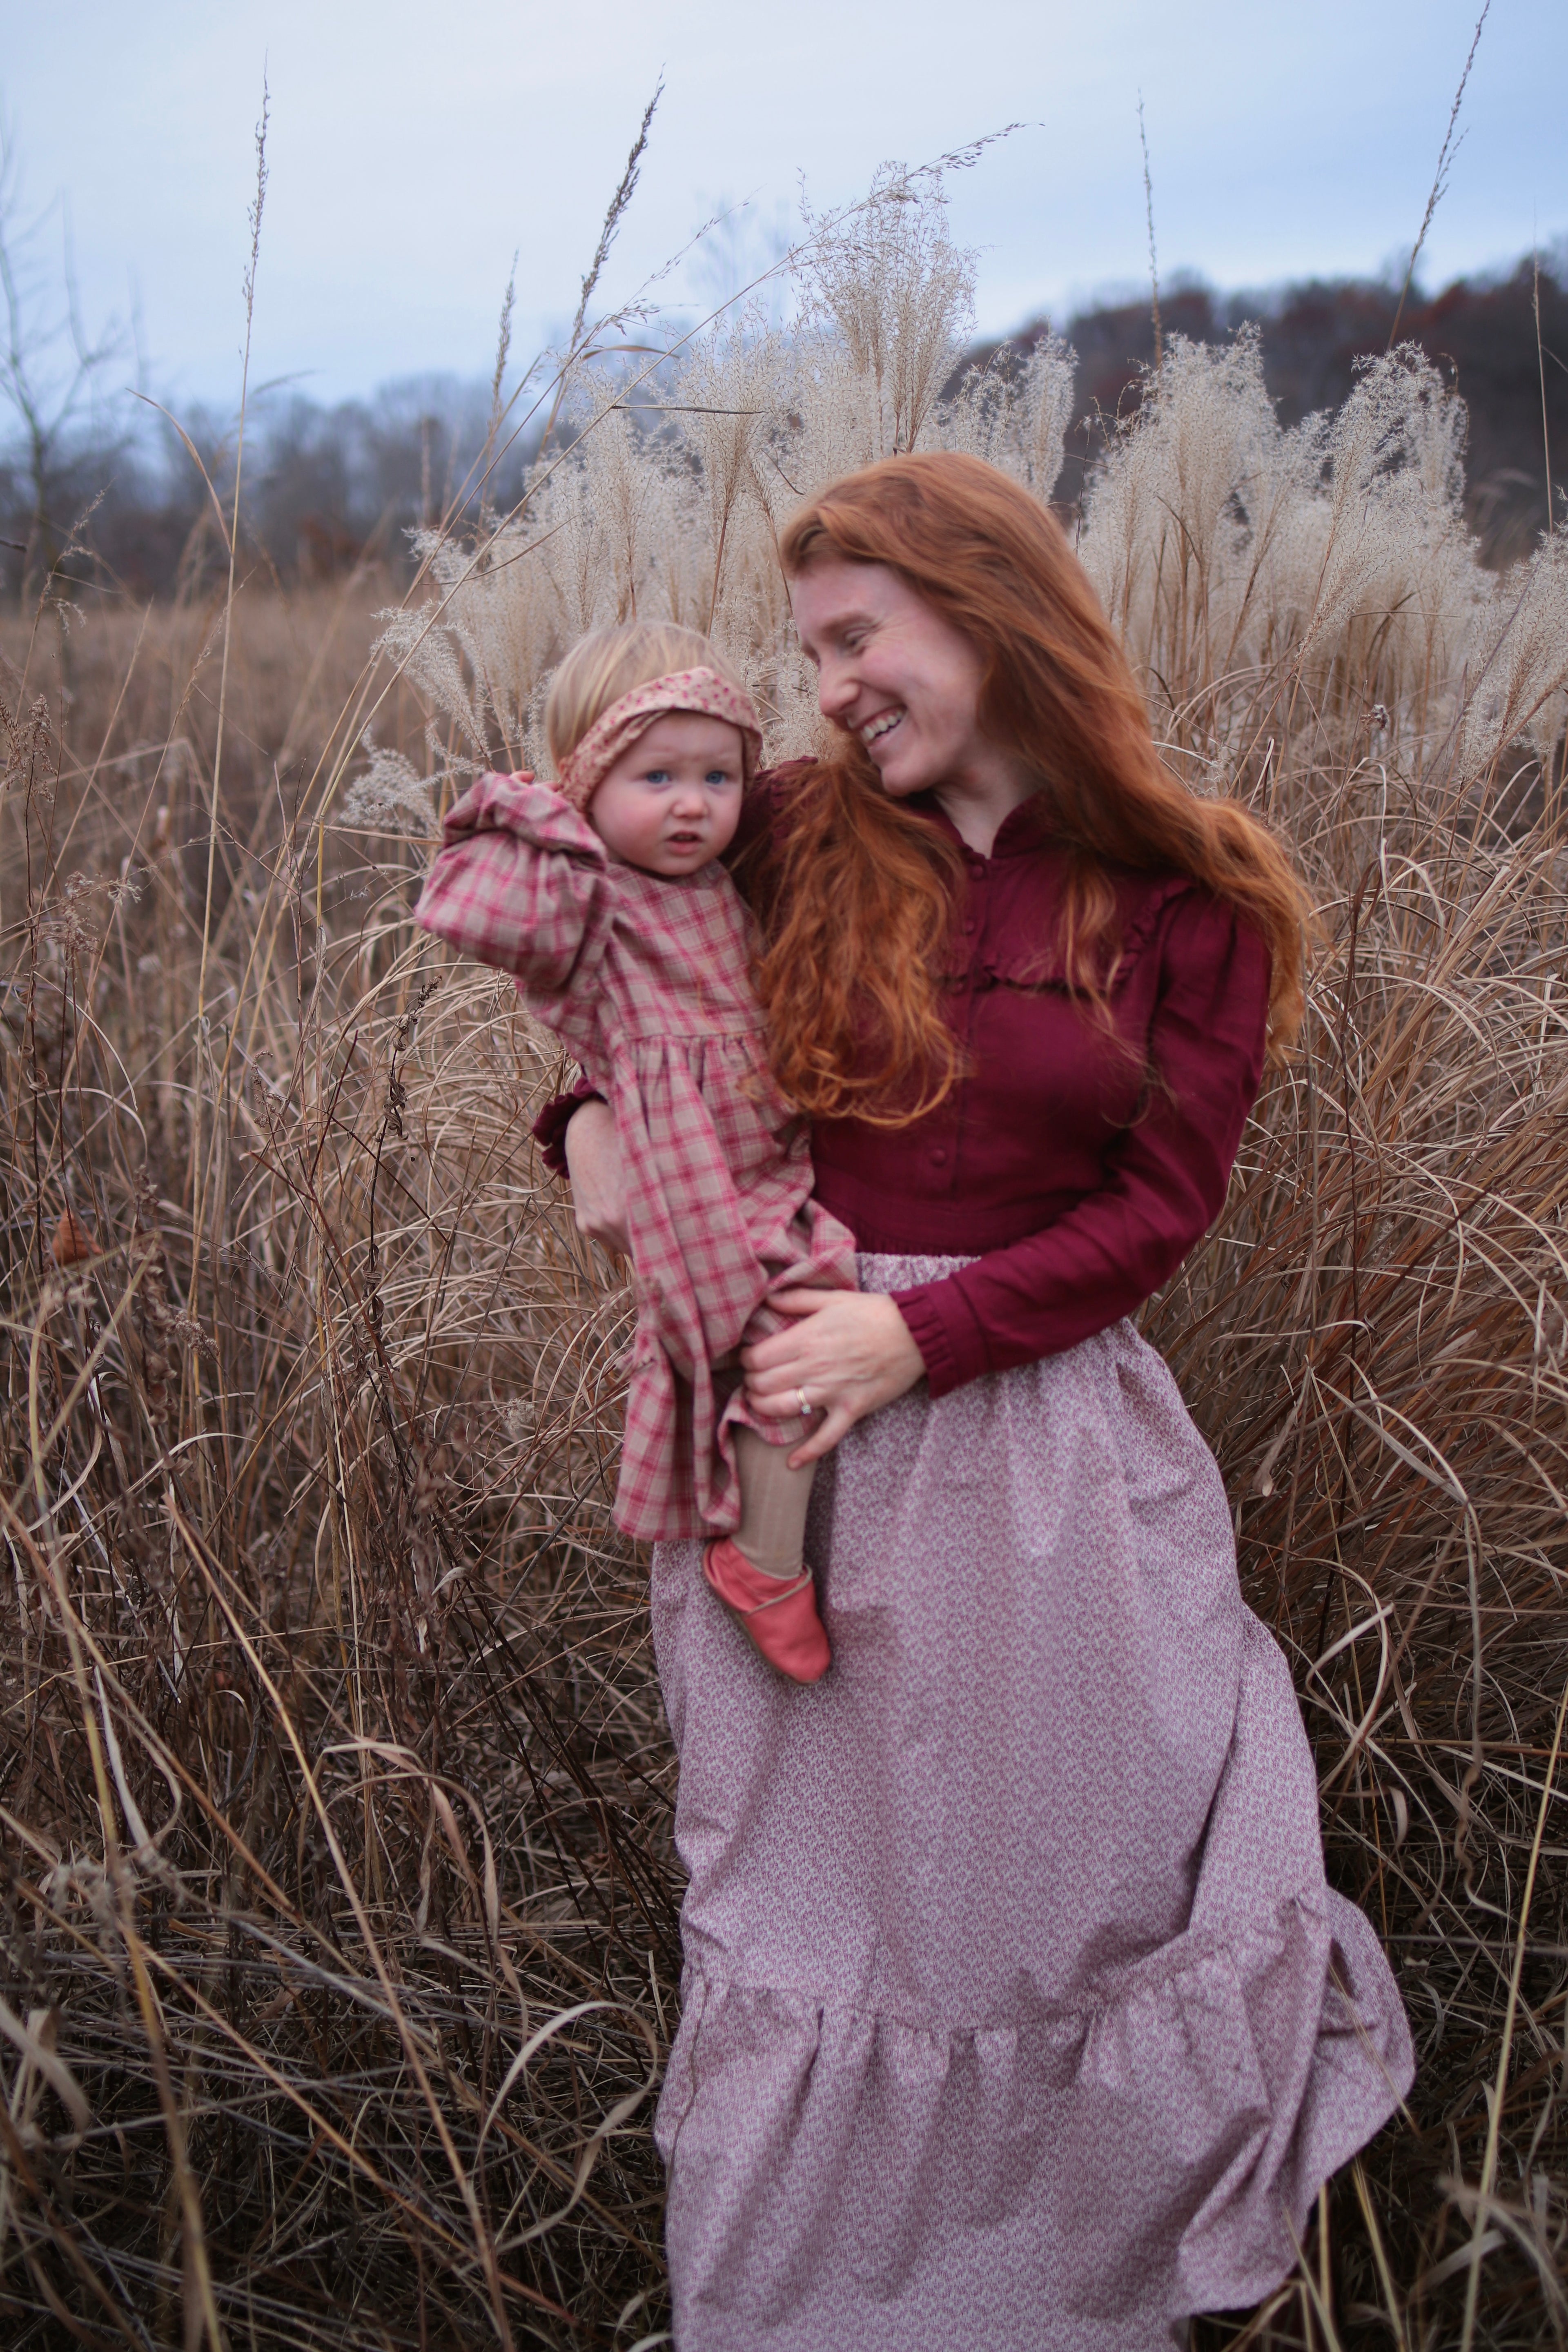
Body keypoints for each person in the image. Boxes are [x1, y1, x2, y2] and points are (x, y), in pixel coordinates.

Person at [544, 452, 1414, 2352]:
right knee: (803, 1911)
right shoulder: (781, 827)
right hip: (789, 1450)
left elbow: (1158, 1214)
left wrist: (920, 1339)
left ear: (987, 605)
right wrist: (586, 1114)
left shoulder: (1199, 895)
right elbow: (610, 960)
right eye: (811, 652)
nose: (831, 685)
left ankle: (1073, 2297)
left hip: (1048, 1461)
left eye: (860, 638)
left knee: (1069, 1901)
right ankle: (800, 2314)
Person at [415, 623, 856, 1684]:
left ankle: (758, 1545)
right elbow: (467, 908)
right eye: (656, 776)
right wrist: (533, 816)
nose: (695, 803)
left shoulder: (715, 878)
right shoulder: (587, 897)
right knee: (781, 1342)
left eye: (718, 775)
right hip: (688, 1169)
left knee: (800, 1324)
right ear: (584, 784)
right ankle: (764, 1562)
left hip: (765, 1156)